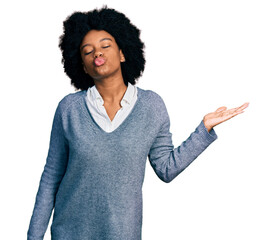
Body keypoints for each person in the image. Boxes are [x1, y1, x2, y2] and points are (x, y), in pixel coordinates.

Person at [27, 6, 249, 240]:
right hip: (69, 233)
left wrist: (204, 129)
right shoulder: (69, 109)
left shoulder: (151, 106)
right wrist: (34, 236)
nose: (97, 54)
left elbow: (166, 168)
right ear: (82, 65)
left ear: (122, 53)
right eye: (87, 51)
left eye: (105, 45)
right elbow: (51, 176)